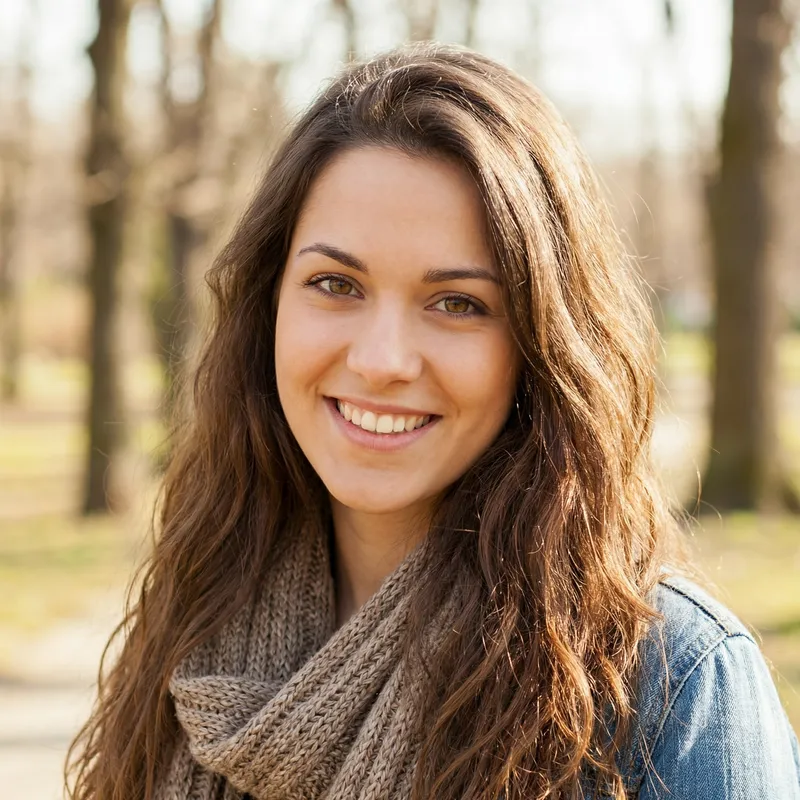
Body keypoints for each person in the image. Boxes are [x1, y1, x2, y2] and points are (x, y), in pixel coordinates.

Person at [66, 44, 800, 800]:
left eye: (457, 303)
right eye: (335, 284)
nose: (383, 359)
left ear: (541, 346)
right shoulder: (199, 620)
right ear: (268, 307)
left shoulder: (671, 685)